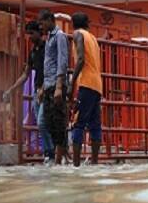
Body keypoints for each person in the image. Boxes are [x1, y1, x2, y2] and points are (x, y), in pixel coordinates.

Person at [3, 21, 55, 164]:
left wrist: (44, 88)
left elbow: (51, 71)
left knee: (42, 122)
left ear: (39, 32)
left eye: (32, 33)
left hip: (47, 90)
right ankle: (50, 154)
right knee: (42, 124)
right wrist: (11, 89)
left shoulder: (47, 49)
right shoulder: (33, 52)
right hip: (36, 91)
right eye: (28, 34)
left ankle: (51, 154)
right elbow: (25, 74)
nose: (30, 36)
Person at [68, 12, 103, 166]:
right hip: (97, 85)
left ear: (73, 24)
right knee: (95, 124)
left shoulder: (77, 34)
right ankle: (94, 161)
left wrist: (72, 82)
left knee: (78, 122)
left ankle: (76, 164)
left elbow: (81, 59)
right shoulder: (93, 38)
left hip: (86, 83)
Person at [38, 9, 69, 166]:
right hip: (49, 84)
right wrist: (44, 86)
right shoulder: (49, 38)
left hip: (57, 85)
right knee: (47, 122)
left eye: (42, 22)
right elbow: (48, 65)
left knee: (57, 122)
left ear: (50, 19)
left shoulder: (60, 36)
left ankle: (58, 160)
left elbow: (62, 62)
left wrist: (58, 86)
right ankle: (62, 155)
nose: (41, 25)